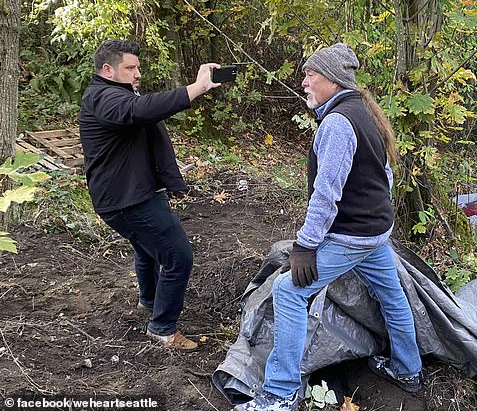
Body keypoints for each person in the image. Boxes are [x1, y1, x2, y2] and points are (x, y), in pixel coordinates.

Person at [234, 44, 422, 411]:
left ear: (332, 81)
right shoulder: (363, 111)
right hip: (374, 232)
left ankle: (280, 393)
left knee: (289, 291)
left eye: (310, 75)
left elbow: (326, 195)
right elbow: (383, 176)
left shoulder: (338, 123)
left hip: (352, 235)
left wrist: (305, 247)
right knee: (392, 294)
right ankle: (408, 370)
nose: (303, 82)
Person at [79, 39, 222, 351]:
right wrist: (195, 88)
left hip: (133, 193)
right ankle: (162, 328)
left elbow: (140, 113)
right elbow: (140, 110)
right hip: (128, 200)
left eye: (138, 67)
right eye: (130, 68)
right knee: (178, 256)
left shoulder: (116, 93)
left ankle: (150, 300)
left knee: (147, 250)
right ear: (108, 70)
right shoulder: (103, 97)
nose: (137, 73)